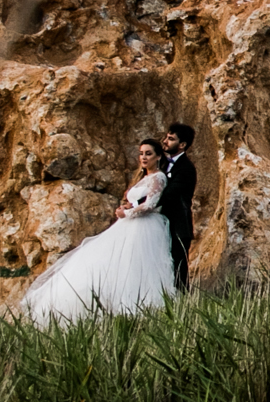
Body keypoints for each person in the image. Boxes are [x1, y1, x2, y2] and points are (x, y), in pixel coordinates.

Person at [16, 138, 178, 323]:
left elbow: (151, 204)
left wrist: (128, 213)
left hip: (145, 225)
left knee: (137, 265)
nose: (143, 157)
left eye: (148, 154)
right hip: (128, 224)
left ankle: (136, 307)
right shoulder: (143, 178)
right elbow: (135, 202)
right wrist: (123, 208)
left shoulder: (158, 177)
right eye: (141, 153)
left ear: (158, 156)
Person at [160, 120, 199, 292]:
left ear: (182, 144)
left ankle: (182, 301)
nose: (165, 142)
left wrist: (143, 204)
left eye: (170, 139)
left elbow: (170, 194)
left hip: (178, 225)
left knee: (178, 266)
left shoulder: (186, 168)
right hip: (163, 224)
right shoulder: (162, 164)